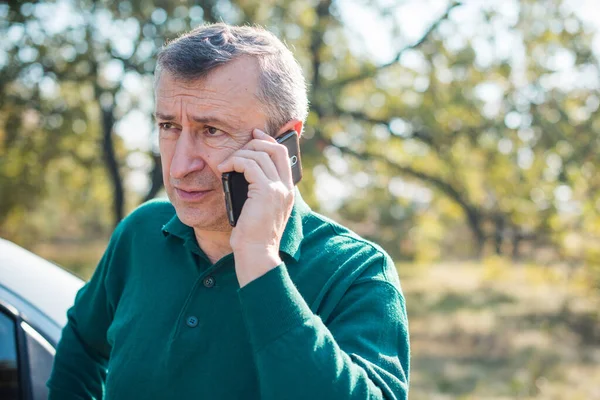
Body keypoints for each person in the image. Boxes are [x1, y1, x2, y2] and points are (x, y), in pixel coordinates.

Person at [47, 23, 410, 400]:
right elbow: (82, 345)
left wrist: (259, 262)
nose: (178, 167)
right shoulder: (140, 233)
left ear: (285, 141)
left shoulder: (357, 273)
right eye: (169, 126)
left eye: (211, 130)